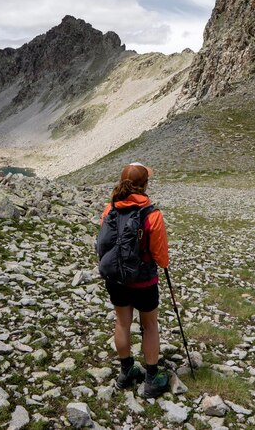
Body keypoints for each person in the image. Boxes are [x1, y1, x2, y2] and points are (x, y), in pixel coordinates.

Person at [100, 162, 169, 398]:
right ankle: (152, 379)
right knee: (149, 325)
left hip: (117, 279)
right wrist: (163, 263)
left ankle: (126, 371)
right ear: (145, 184)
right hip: (144, 281)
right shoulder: (152, 214)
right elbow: (160, 256)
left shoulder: (109, 210)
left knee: (122, 323)